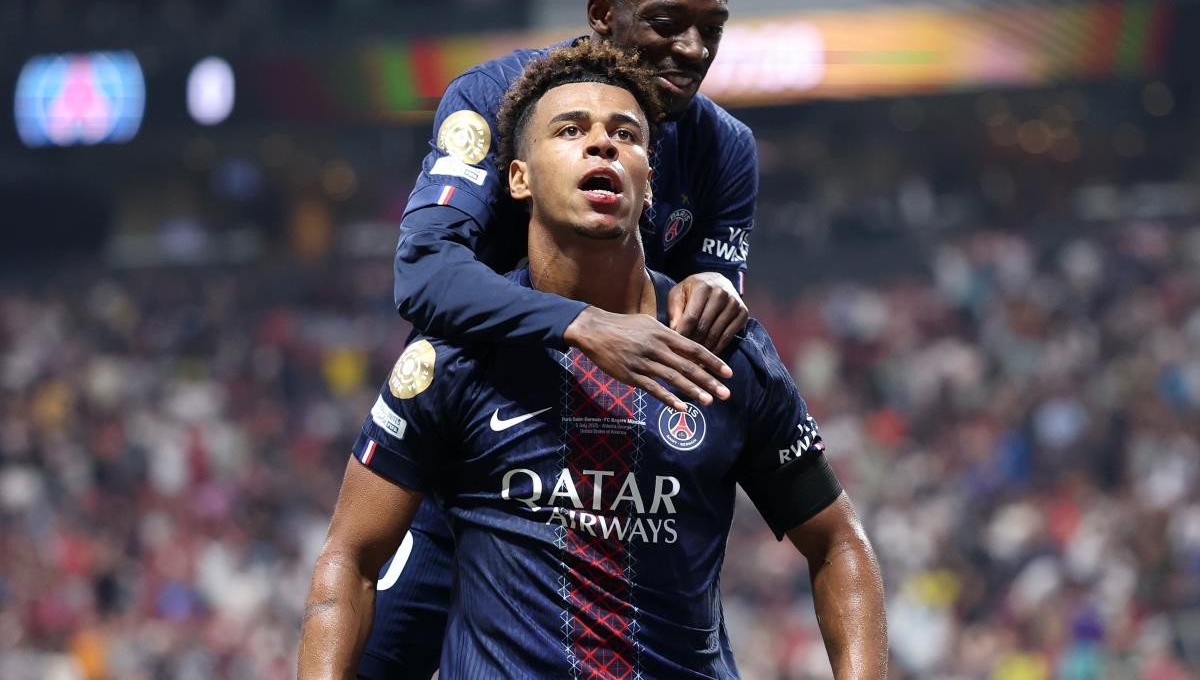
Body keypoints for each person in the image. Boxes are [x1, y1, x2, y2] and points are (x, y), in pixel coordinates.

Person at [299, 42, 888, 680]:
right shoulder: (458, 355)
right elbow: (350, 559)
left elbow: (838, 544)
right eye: (570, 130)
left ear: (649, 182)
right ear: (518, 178)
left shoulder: (720, 348)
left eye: (625, 134)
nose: (602, 143)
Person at [367, 0, 760, 679]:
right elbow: (422, 272)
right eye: (667, 24)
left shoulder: (725, 150)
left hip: (621, 487)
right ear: (602, 16)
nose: (693, 50)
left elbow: (707, 341)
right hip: (478, 455)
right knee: (378, 655)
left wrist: (718, 288)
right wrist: (582, 325)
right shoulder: (494, 99)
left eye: (711, 30)